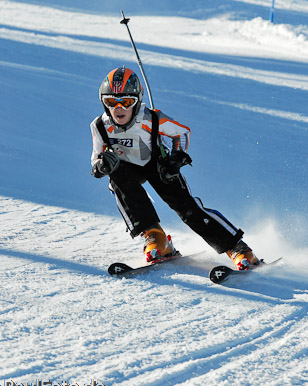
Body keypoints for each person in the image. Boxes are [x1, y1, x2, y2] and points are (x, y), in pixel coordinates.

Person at [89, 67, 259, 269]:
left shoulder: (151, 119)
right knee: (115, 177)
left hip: (158, 166)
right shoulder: (100, 125)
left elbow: (182, 133)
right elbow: (96, 159)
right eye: (111, 102)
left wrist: (175, 159)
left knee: (187, 209)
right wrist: (101, 166)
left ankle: (237, 248)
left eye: (126, 102)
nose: (118, 108)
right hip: (128, 169)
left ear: (137, 100)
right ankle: (155, 237)